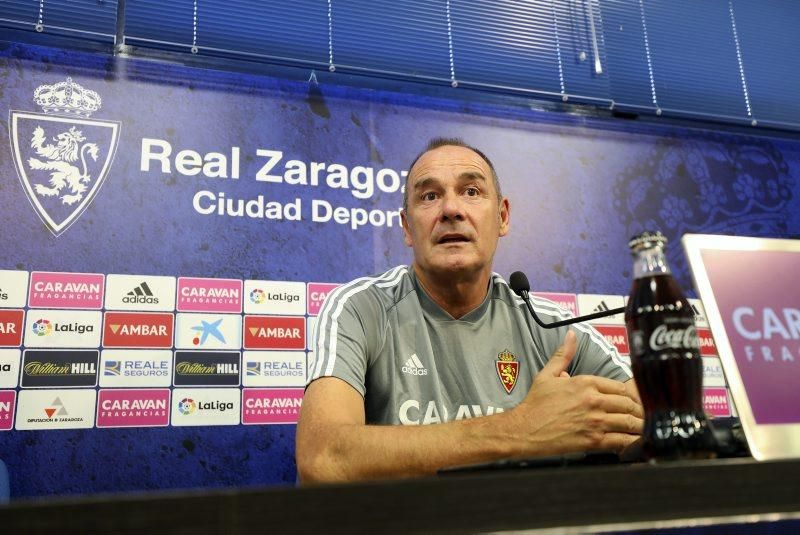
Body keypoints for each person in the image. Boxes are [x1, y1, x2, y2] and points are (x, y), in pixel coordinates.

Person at [296, 138, 643, 483]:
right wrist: (521, 430)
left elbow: (654, 427)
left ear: (503, 217)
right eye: (429, 196)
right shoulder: (360, 308)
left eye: (472, 192)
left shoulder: (556, 328)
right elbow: (323, 459)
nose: (451, 209)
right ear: (406, 227)